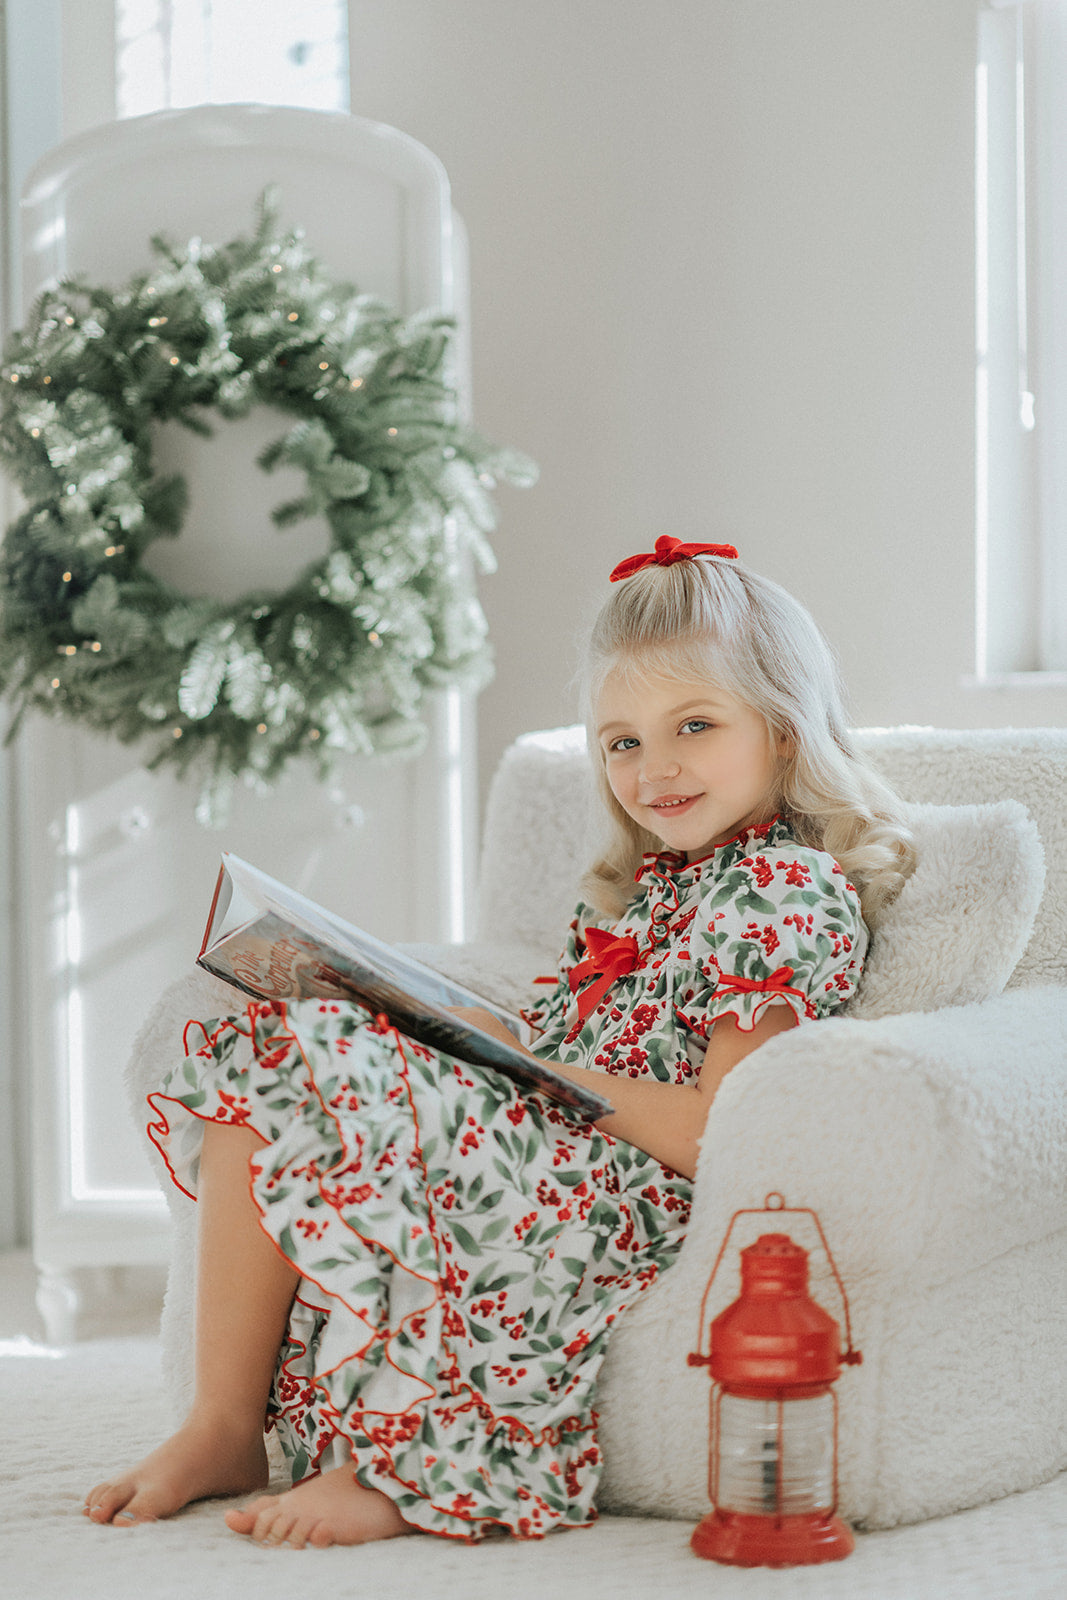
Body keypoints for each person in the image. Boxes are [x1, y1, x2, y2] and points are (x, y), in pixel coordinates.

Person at [83, 537, 914, 1549]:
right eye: (619, 742)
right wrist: (483, 1039)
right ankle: (221, 1422)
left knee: (344, 1065)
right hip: (559, 1134)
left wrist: (524, 1069)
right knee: (275, 1049)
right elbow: (584, 1054)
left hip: (627, 1185)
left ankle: (405, 1467)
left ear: (782, 734)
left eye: (693, 726)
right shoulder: (644, 895)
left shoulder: (781, 889)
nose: (653, 769)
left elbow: (715, 1129)